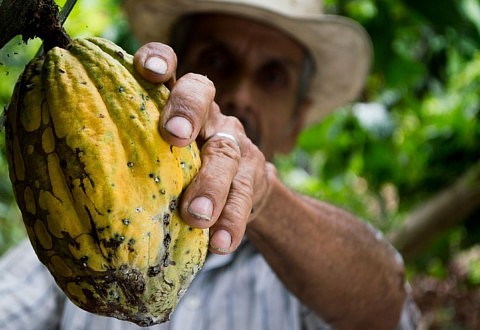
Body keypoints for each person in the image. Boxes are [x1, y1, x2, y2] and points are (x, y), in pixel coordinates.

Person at [0, 0, 420, 329]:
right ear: (168, 75)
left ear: (297, 122)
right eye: (217, 61)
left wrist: (264, 198)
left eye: (273, 76)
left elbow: (386, 310)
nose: (240, 95)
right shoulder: (70, 227)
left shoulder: (311, 276)